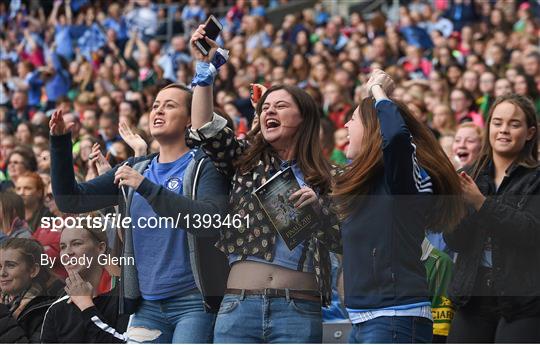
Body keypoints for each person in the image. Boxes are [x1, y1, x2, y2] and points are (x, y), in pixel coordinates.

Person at [188, 27, 341, 343]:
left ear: (305, 117)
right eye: (266, 107)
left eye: (281, 106)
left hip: (298, 309)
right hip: (238, 306)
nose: (269, 110)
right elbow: (205, 127)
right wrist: (205, 70)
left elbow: (344, 242)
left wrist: (319, 209)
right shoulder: (246, 159)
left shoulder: (331, 177)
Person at [49, 82, 230, 343]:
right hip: (146, 305)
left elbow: (208, 222)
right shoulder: (136, 167)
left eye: (170, 106)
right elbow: (70, 200)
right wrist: (59, 144)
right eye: (155, 105)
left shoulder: (205, 165)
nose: (158, 111)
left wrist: (147, 188)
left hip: (193, 302)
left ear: (190, 119)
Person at [333, 69, 464, 343]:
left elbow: (395, 139)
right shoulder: (366, 183)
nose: (345, 126)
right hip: (362, 319)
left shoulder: (400, 178)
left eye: (353, 119)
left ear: (372, 128)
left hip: (394, 318)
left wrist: (378, 91)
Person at [445, 94, 540, 343]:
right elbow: (455, 240)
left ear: (530, 133)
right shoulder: (468, 175)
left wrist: (481, 204)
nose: (504, 130)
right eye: (497, 123)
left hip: (523, 302)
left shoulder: (536, 178)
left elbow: (531, 233)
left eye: (514, 124)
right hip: (471, 297)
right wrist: (456, 208)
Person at [40, 216, 128, 343]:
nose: (68, 252)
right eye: (63, 247)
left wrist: (86, 306)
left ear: (100, 248)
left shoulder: (126, 296)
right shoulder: (57, 308)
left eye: (76, 244)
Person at [0, 238, 58, 342]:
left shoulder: (51, 309)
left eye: (10, 265)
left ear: (33, 270)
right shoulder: (4, 300)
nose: (2, 273)